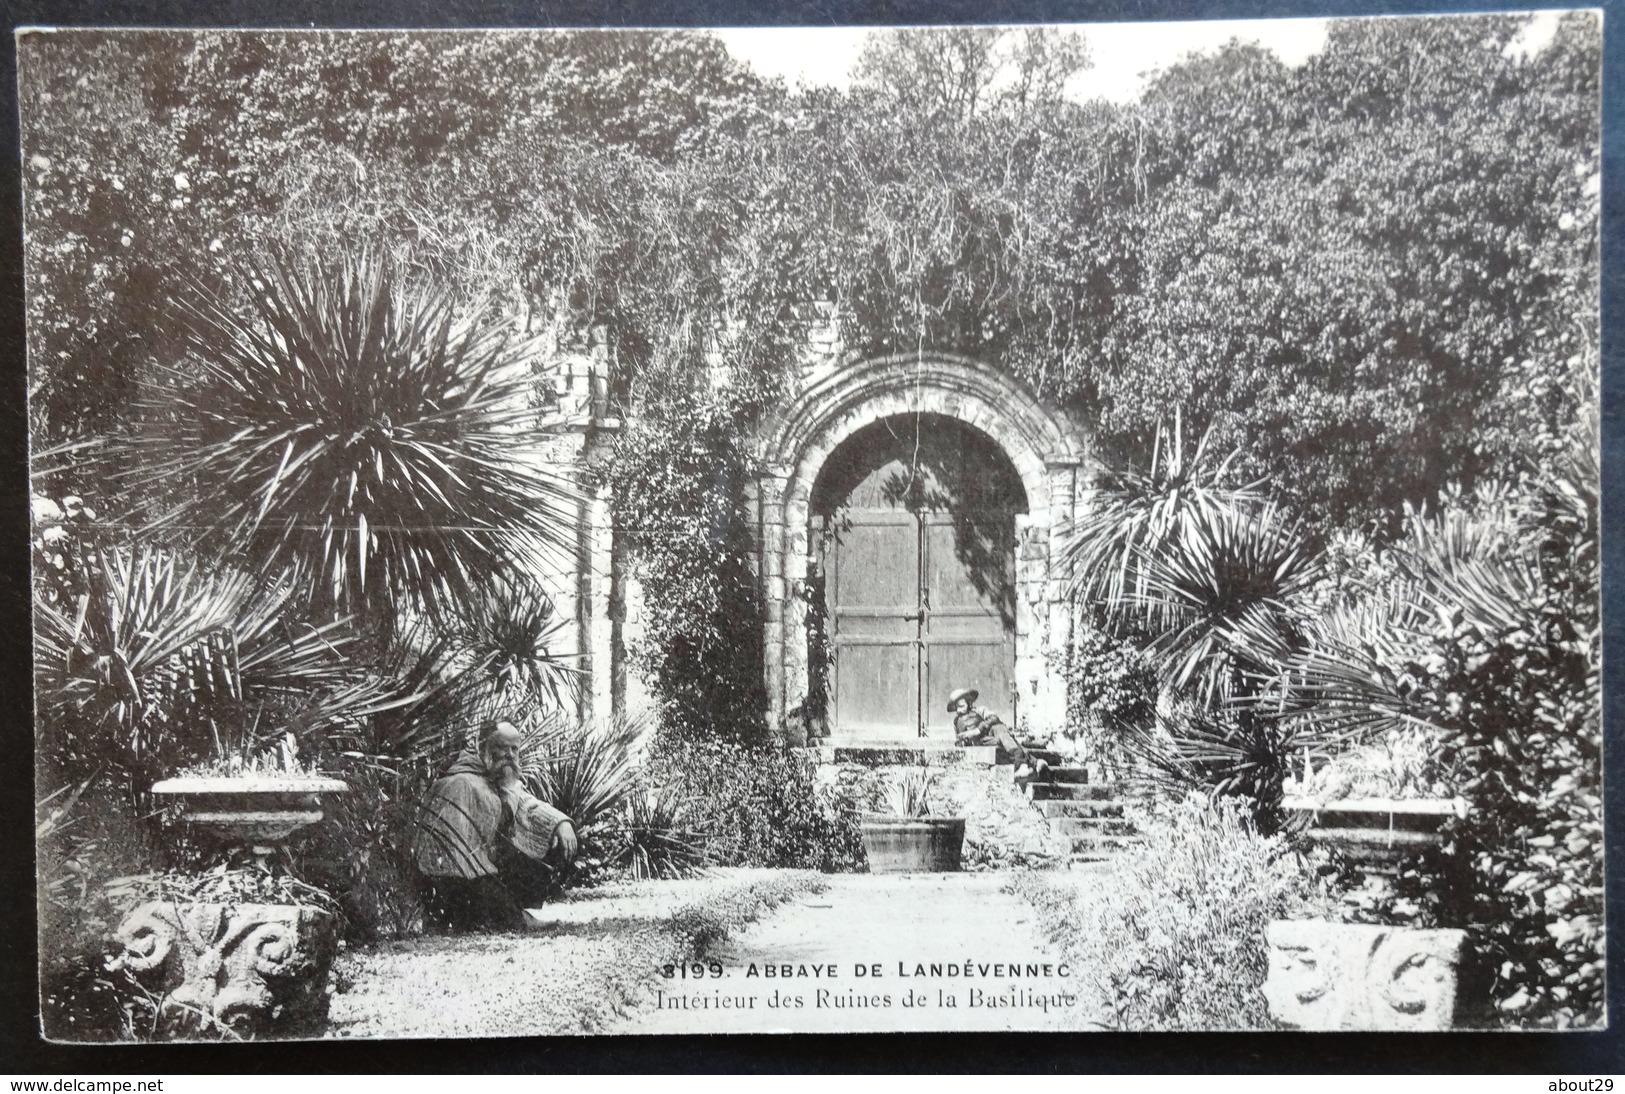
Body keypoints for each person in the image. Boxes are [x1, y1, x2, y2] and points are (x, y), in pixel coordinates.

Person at [413, 720, 579, 932]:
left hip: (481, 870)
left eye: (514, 749)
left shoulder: (498, 780)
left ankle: (511, 914)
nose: (510, 755)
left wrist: (561, 823)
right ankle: (509, 917)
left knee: (556, 839)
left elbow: (524, 802)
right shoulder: (459, 782)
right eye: (502, 747)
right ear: (483, 747)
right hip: (453, 880)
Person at [948, 687, 1050, 782]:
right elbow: (958, 740)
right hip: (980, 742)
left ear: (969, 703)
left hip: (990, 736)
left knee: (999, 729)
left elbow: (994, 718)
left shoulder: (980, 710)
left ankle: (1023, 765)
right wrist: (963, 739)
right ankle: (1035, 762)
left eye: (961, 706)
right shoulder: (957, 720)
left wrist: (978, 730)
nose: (959, 710)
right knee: (1005, 736)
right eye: (957, 708)